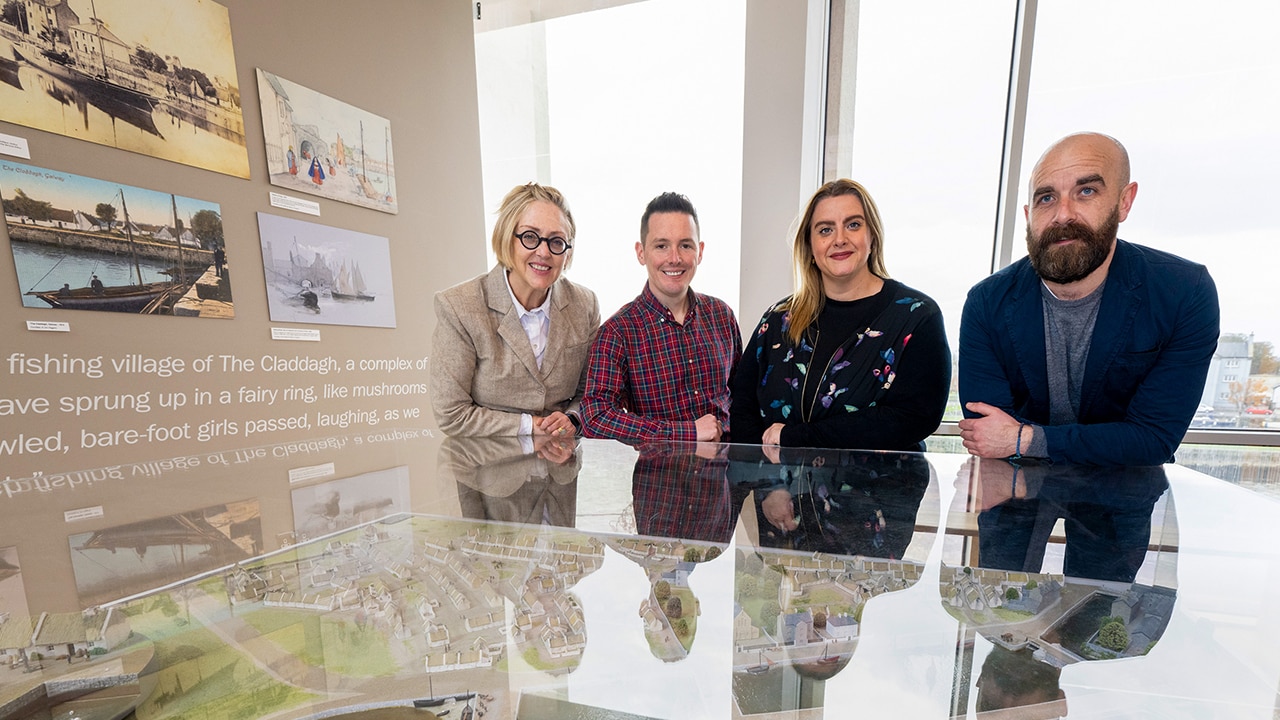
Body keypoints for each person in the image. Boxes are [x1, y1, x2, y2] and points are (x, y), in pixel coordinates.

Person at [958, 132, 1220, 466]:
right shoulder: (987, 301)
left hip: (1123, 496)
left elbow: (1153, 439)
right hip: (1014, 492)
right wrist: (1016, 442)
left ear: (1124, 202)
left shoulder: (1183, 292)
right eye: (1046, 198)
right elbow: (987, 435)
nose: (1063, 215)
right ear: (1028, 215)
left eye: (1086, 191)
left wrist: (1024, 438)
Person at [730, 179, 951, 451]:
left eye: (853, 225)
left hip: (882, 492)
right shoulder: (778, 320)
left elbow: (914, 418)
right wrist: (768, 481)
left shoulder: (917, 317)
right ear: (810, 247)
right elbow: (741, 409)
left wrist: (795, 440)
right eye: (825, 230)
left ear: (872, 237)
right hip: (782, 492)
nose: (840, 239)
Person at [430, 182, 600, 438]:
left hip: (561, 467)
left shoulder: (584, 304)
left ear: (568, 251)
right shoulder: (459, 307)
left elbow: (590, 394)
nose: (543, 252)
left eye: (557, 241)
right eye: (530, 237)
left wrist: (572, 419)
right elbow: (452, 413)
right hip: (488, 469)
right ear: (507, 238)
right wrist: (531, 426)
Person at [580, 192, 740, 444]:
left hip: (723, 479)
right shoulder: (618, 331)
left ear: (699, 251)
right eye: (661, 246)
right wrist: (686, 432)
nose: (674, 258)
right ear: (641, 252)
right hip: (659, 480)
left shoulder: (722, 316)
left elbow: (741, 398)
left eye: (685, 245)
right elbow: (595, 417)